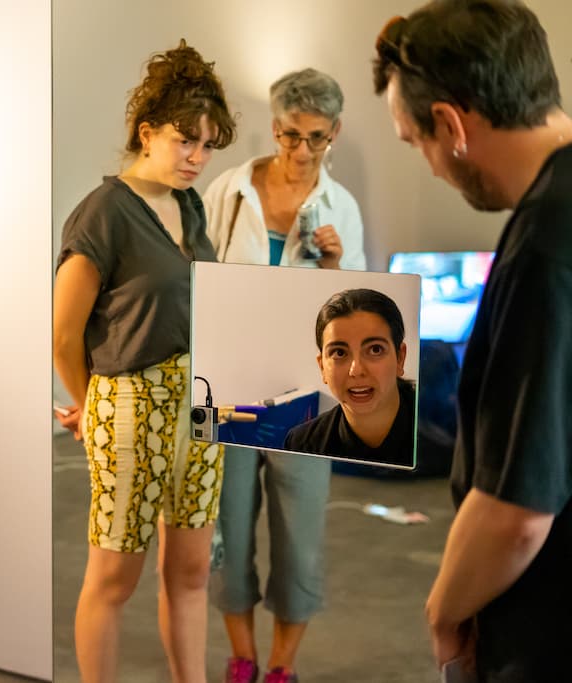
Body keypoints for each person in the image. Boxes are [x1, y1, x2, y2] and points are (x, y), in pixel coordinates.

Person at [373, 1, 572, 679]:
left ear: (451, 125)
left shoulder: (546, 247)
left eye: (414, 142)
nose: (428, 166)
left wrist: (445, 612)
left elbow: (516, 509)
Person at [52, 40, 236, 683]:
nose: (198, 158)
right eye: (186, 141)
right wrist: (91, 406)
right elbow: (64, 333)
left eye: (210, 145)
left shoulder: (189, 207)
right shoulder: (104, 212)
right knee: (113, 576)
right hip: (132, 407)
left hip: (205, 406)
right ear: (147, 131)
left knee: (189, 572)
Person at [202, 68, 366, 683]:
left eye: (316, 139)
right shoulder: (229, 190)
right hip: (228, 383)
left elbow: (362, 310)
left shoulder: (340, 208)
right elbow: (198, 276)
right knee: (226, 527)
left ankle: (280, 667)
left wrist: (335, 262)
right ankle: (242, 658)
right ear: (274, 127)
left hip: (307, 392)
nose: (301, 151)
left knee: (301, 535)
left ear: (335, 133)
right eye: (291, 136)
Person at [284, 289, 415, 469]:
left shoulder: (439, 440)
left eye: (375, 350)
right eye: (339, 352)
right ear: (322, 366)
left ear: (400, 358)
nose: (356, 370)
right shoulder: (303, 445)